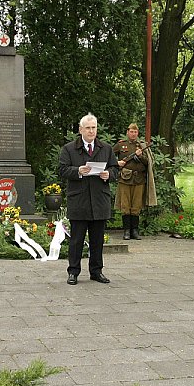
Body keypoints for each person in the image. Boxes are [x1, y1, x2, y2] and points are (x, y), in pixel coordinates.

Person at [59, 113, 119, 285]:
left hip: (99, 200)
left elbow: (115, 169)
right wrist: (78, 171)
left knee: (97, 240)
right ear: (80, 130)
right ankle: (73, 272)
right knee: (76, 240)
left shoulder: (106, 148)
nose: (91, 131)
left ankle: (96, 271)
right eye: (88, 128)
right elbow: (62, 170)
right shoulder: (69, 149)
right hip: (79, 201)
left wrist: (109, 174)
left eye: (94, 128)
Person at [113, 123, 151, 240]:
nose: (133, 134)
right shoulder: (121, 145)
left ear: (137, 133)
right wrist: (117, 163)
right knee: (125, 205)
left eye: (135, 132)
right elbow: (108, 156)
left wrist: (140, 156)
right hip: (125, 179)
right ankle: (126, 231)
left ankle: (134, 231)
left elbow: (148, 163)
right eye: (131, 132)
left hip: (139, 180)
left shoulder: (142, 146)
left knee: (136, 206)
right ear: (127, 132)